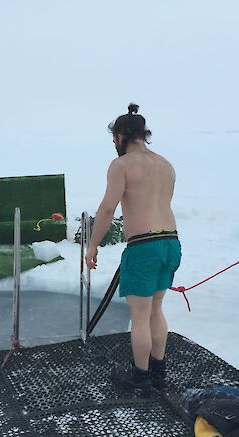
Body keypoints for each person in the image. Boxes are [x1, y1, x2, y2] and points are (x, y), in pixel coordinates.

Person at [85, 104, 181, 395]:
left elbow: (106, 209)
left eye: (114, 138)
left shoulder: (122, 165)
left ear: (122, 136)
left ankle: (140, 378)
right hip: (171, 243)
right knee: (155, 310)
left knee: (139, 316)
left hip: (144, 247)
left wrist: (92, 246)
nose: (114, 143)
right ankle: (158, 372)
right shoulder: (165, 164)